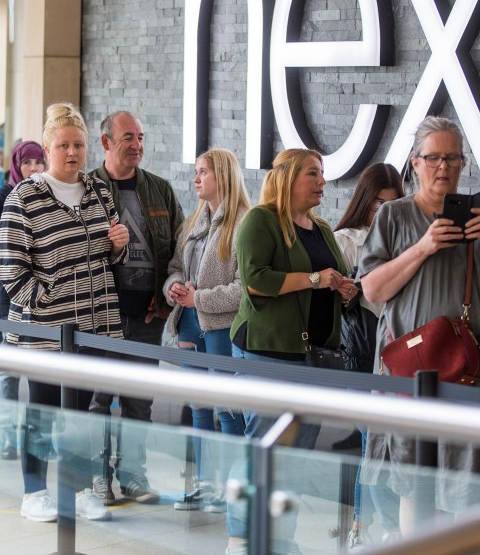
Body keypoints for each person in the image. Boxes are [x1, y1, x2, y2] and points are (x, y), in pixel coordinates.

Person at [358, 116, 480, 533]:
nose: (443, 167)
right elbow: (372, 291)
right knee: (414, 487)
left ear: (463, 163)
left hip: (473, 373)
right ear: (414, 163)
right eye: (432, 157)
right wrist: (423, 247)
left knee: (474, 490)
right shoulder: (395, 217)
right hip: (411, 374)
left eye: (452, 157)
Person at [0, 102, 129, 523]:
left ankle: (78, 488)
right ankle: (34, 492)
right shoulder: (25, 196)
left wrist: (118, 245)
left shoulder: (99, 191)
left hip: (95, 326)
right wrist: (46, 303)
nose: (72, 153)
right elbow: (9, 269)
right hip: (46, 331)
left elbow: (110, 259)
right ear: (48, 148)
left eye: (79, 145)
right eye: (63, 145)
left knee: (85, 414)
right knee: (44, 409)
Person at [226, 148, 353, 555]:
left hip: (314, 357)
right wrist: (315, 279)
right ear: (287, 178)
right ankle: (241, 535)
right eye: (312, 174)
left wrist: (343, 287)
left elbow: (331, 277)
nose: (321, 182)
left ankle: (281, 538)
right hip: (268, 352)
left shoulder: (322, 228)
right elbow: (256, 280)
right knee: (263, 446)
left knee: (296, 455)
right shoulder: (260, 220)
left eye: (322, 174)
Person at [89, 110, 184, 505]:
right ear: (107, 142)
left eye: (141, 137)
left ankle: (133, 476)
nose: (137, 146)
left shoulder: (159, 189)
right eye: (128, 137)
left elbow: (178, 248)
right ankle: (97, 477)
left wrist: (165, 298)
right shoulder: (86, 188)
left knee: (139, 401)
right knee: (98, 398)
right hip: (99, 313)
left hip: (147, 314)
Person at [163, 148, 250, 512]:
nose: (195, 179)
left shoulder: (246, 222)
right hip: (187, 323)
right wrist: (174, 287)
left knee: (228, 409)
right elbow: (175, 266)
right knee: (199, 406)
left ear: (223, 176)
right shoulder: (194, 220)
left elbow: (246, 288)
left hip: (221, 326)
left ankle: (232, 491)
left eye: (203, 172)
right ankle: (205, 484)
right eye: (195, 172)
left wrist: (199, 298)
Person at [331, 163, 405, 548]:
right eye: (379, 203)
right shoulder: (346, 240)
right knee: (371, 444)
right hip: (360, 354)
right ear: (366, 201)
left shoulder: (406, 238)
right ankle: (373, 529)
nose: (385, 211)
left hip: (397, 356)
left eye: (393, 203)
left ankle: (362, 527)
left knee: (386, 446)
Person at [0, 140, 46, 460]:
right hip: (10, 295)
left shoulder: (51, 194)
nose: (34, 169)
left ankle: (38, 437)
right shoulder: (3, 196)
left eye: (39, 163)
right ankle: (7, 436)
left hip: (44, 298)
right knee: (9, 368)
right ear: (16, 166)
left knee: (40, 369)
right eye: (28, 164)